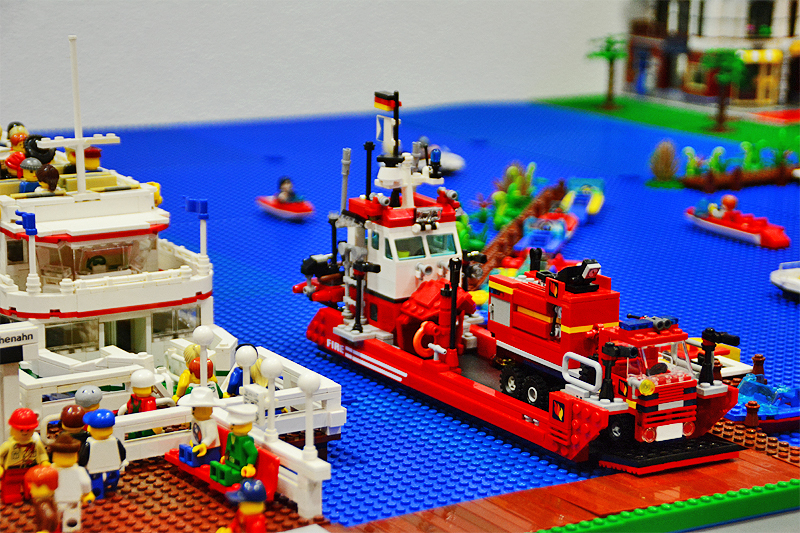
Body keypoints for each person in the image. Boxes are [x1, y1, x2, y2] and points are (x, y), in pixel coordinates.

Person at [0, 408, 50, 504]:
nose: (25, 432)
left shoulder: (36, 444)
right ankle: (12, 497)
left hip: (32, 470)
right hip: (13, 470)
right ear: (13, 429)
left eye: (28, 430)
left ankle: (31, 496)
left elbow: (42, 453)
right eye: (21, 430)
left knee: (32, 486)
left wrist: (44, 461)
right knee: (11, 487)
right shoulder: (8, 445)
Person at [78, 409, 127, 499]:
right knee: (112, 481)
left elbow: (83, 458)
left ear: (90, 428)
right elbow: (122, 453)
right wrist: (122, 461)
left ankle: (99, 496)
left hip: (95, 471)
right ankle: (111, 491)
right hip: (113, 468)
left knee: (97, 486)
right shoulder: (114, 441)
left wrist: (82, 465)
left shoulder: (89, 443)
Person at [51, 434, 94, 532]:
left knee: (58, 519)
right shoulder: (78, 470)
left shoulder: (51, 469)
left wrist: (87, 494)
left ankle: (57, 528)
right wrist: (87, 493)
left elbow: (85, 483)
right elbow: (85, 483)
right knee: (71, 520)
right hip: (73, 499)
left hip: (58, 499)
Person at [209, 404, 258, 486]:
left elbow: (253, 453)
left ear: (246, 425)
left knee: (226, 474)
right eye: (232, 424)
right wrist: (226, 457)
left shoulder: (246, 441)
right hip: (230, 463)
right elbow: (229, 449)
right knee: (217, 469)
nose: (231, 426)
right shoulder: (231, 436)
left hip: (240, 470)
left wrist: (250, 466)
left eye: (234, 424)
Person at [178, 387, 222, 467]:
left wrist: (204, 445)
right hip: (198, 446)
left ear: (209, 410)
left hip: (210, 449)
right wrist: (194, 441)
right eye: (193, 408)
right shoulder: (195, 420)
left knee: (208, 462)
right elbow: (195, 431)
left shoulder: (209, 423)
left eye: (195, 408)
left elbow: (211, 436)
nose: (193, 411)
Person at [24, 465, 60, 533]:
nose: (31, 491)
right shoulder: (45, 501)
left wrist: (44, 529)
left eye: (36, 487)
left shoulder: (44, 504)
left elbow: (49, 516)